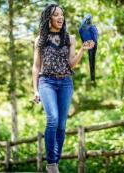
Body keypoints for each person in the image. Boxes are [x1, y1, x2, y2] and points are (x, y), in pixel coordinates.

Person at [32, 4, 95, 173]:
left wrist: (82, 49)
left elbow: (71, 64)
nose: (60, 17)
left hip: (66, 82)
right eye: (56, 15)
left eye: (62, 14)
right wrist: (35, 89)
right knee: (52, 118)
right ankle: (51, 164)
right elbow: (36, 67)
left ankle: (55, 163)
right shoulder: (40, 40)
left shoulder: (70, 38)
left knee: (61, 125)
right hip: (46, 82)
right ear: (49, 19)